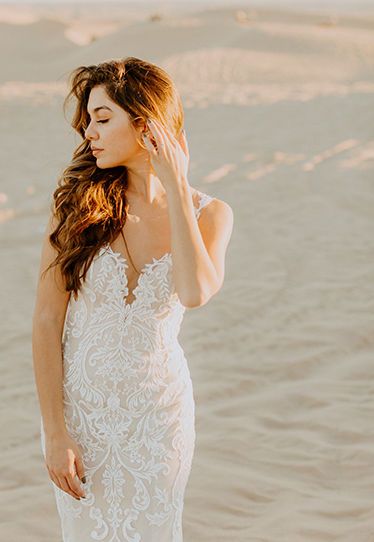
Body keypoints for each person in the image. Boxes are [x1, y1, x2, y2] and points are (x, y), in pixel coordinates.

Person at [32, 57, 234, 542]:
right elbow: (45, 320)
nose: (89, 133)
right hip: (81, 415)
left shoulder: (212, 214)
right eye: (87, 121)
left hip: (157, 416)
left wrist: (177, 186)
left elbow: (194, 291)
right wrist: (55, 431)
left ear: (146, 125)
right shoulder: (77, 207)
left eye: (103, 119)